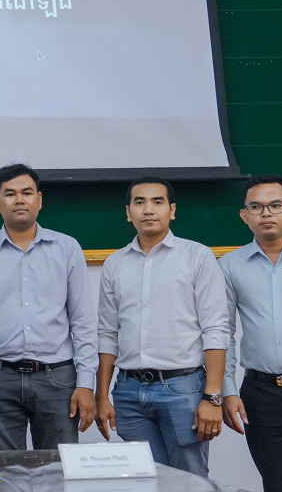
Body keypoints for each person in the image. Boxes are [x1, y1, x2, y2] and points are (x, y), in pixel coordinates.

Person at [0, 163, 97, 450]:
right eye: (10, 194)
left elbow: (83, 321)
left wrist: (86, 383)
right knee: (5, 475)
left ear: (39, 200)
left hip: (58, 379)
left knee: (57, 473)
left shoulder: (67, 248)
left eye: (27, 192)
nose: (19, 200)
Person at [95, 177, 229, 477]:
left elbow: (216, 329)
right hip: (129, 392)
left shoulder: (197, 256)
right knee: (144, 480)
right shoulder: (115, 263)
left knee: (189, 481)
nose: (148, 209)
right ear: (128, 212)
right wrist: (101, 396)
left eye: (157, 201)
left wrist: (212, 397)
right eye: (139, 202)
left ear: (172, 210)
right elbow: (106, 333)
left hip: (183, 390)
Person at [220, 175, 282, 491]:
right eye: (257, 206)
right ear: (244, 215)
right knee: (277, 486)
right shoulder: (229, 266)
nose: (266, 213)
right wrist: (227, 390)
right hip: (261, 396)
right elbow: (222, 329)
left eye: (275, 205)